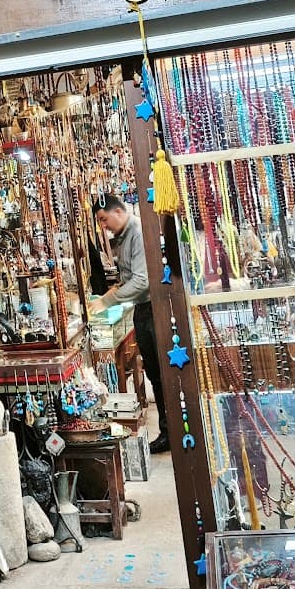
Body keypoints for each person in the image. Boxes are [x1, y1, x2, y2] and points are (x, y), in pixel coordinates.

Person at [94, 194, 170, 454]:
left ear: (117, 211)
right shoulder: (124, 237)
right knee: (155, 374)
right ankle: (168, 430)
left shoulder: (137, 231)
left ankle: (171, 431)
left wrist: (108, 300)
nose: (104, 226)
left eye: (104, 219)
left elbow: (141, 282)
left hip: (152, 309)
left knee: (161, 374)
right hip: (142, 309)